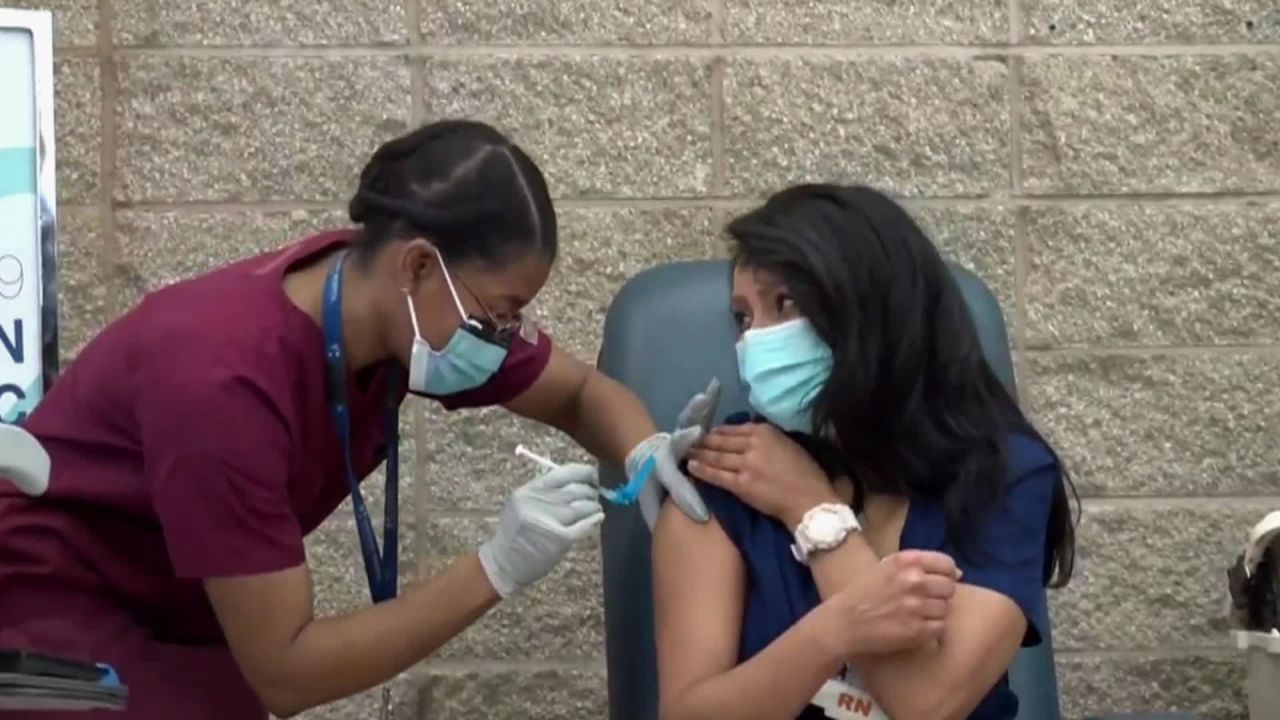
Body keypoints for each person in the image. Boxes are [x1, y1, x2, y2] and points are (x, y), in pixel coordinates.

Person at [0, 119, 710, 719]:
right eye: (498, 314)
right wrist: (496, 568)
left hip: (187, 611)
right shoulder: (224, 382)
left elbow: (581, 394)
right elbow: (288, 673)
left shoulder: (383, 312)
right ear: (419, 266)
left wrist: (645, 448)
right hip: (53, 615)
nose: (503, 337)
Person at [652, 184, 1078, 720]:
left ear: (873, 311)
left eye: (785, 304)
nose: (755, 340)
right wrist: (833, 631)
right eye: (743, 318)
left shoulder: (1003, 473)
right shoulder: (729, 471)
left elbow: (930, 704)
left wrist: (813, 513)